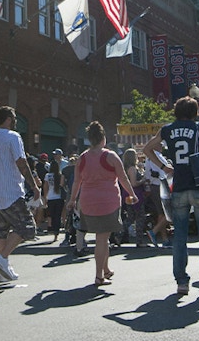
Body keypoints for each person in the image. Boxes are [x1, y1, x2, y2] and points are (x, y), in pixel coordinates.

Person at [143, 96, 199, 297]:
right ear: (195, 112)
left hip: (178, 186)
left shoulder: (167, 129)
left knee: (179, 237)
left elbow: (147, 148)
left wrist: (163, 166)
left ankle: (181, 282)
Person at [66, 121, 138, 286]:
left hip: (88, 202)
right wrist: (132, 194)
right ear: (103, 138)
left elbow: (76, 182)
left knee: (102, 237)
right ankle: (99, 276)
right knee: (102, 239)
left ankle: (106, 269)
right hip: (108, 202)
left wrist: (71, 200)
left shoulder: (82, 158)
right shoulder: (110, 156)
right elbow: (123, 179)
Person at [0, 106, 42, 281]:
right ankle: (2, 259)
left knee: (1, 232)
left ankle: (3, 271)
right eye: (14, 117)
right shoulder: (13, 137)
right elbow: (21, 162)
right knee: (27, 228)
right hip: (11, 191)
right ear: (8, 118)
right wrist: (34, 186)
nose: (16, 121)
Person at [43, 156, 65, 242]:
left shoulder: (47, 175)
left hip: (51, 197)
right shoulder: (60, 175)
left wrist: (45, 197)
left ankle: (50, 227)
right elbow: (62, 186)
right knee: (57, 215)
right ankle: (56, 232)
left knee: (51, 214)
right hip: (59, 198)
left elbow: (46, 187)